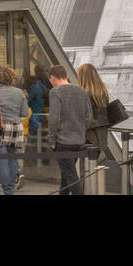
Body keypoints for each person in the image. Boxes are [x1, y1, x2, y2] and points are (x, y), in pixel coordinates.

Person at [0, 65, 30, 195]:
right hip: (15, 128)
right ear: (12, 78)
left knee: (1, 160)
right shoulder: (19, 93)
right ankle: (10, 187)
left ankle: (7, 190)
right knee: (12, 158)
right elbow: (24, 113)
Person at [47, 65, 89, 195]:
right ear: (66, 76)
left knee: (70, 175)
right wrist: (81, 131)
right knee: (67, 175)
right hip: (78, 140)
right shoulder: (82, 91)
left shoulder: (55, 92)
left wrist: (52, 139)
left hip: (63, 141)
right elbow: (89, 116)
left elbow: (54, 118)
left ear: (52, 78)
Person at [78, 63, 113, 161]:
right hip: (101, 134)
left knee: (84, 165)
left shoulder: (84, 94)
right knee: (95, 164)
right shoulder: (102, 91)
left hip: (88, 135)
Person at [26, 65, 51, 134]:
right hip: (42, 114)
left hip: (35, 115)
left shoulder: (33, 87)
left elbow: (27, 102)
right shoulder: (42, 85)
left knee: (34, 136)